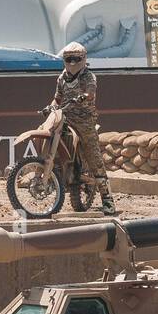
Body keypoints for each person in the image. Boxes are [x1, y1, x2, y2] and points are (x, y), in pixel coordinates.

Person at [52, 41, 114, 214]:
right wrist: (50, 107)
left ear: (83, 59)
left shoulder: (88, 76)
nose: (72, 63)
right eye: (69, 59)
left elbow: (91, 92)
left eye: (76, 59)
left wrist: (83, 97)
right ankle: (46, 175)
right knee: (49, 134)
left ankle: (107, 199)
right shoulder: (61, 77)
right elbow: (57, 98)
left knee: (94, 157)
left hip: (84, 120)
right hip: (65, 118)